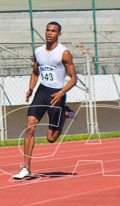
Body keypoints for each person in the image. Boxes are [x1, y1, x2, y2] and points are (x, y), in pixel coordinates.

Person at [13, 21, 78, 180]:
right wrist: (31, 88)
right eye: (48, 30)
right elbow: (35, 72)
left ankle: (65, 113)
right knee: (30, 127)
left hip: (57, 94)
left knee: (51, 138)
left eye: (53, 31)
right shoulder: (39, 51)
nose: (49, 33)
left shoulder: (64, 53)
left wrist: (62, 92)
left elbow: (74, 78)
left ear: (59, 34)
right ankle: (26, 168)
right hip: (42, 92)